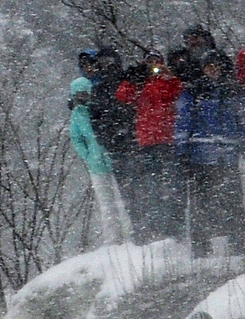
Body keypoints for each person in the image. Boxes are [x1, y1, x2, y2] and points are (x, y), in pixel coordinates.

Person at [175, 51, 245, 258]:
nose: (213, 69)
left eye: (216, 65)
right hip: (200, 155)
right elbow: (183, 121)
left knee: (233, 202)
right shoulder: (193, 91)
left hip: (227, 155)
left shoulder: (233, 91)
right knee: (201, 203)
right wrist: (182, 150)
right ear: (202, 68)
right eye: (208, 66)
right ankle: (201, 246)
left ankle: (238, 243)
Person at [117, 49, 186, 242]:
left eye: (157, 62)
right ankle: (156, 227)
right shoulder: (140, 83)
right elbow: (123, 95)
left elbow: (179, 91)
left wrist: (169, 74)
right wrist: (132, 78)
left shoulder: (167, 81)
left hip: (168, 139)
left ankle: (174, 227)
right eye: (150, 62)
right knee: (151, 186)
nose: (153, 66)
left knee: (173, 184)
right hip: (147, 141)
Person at [70, 77, 133, 246]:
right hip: (96, 166)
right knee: (106, 204)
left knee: (122, 200)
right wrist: (88, 155)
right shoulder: (77, 115)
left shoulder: (101, 108)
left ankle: (130, 236)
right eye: (77, 95)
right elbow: (76, 138)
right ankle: (113, 240)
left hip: (113, 160)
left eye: (84, 94)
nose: (81, 98)